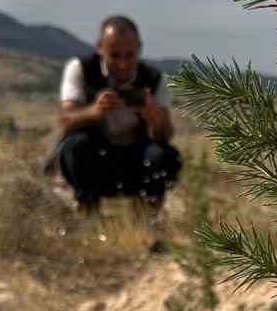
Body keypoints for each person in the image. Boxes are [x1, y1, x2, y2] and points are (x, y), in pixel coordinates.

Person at [54, 15, 182, 219]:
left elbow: (164, 136)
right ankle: (87, 214)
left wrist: (155, 119)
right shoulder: (81, 69)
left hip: (135, 161)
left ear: (139, 48)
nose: (122, 64)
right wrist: (93, 112)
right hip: (95, 159)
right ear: (99, 47)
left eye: (129, 55)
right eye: (114, 55)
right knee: (76, 146)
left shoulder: (154, 79)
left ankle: (144, 222)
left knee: (165, 157)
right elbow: (65, 119)